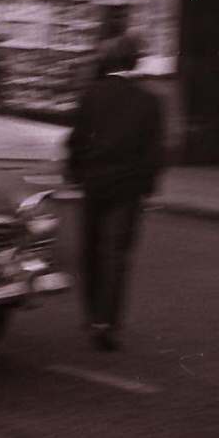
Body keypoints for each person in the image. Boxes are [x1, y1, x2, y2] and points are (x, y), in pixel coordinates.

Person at [64, 36, 164, 352]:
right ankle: (109, 322)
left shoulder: (91, 95)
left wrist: (76, 173)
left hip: (95, 182)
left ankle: (92, 314)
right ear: (135, 62)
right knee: (117, 254)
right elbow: (154, 151)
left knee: (90, 250)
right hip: (128, 186)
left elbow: (76, 140)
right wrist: (147, 187)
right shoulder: (150, 101)